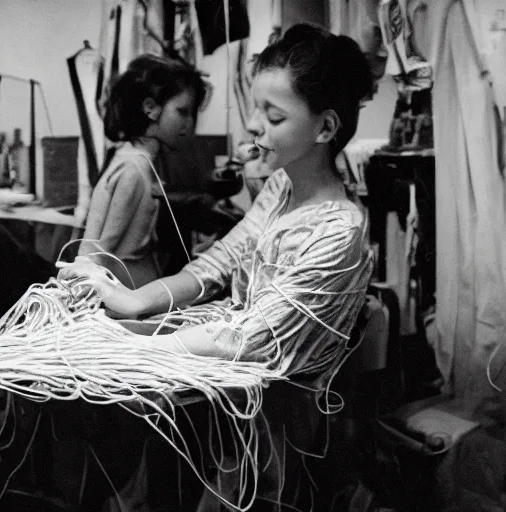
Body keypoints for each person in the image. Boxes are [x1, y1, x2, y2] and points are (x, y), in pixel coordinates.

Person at [61, 24, 375, 508]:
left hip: (281, 433)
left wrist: (138, 349)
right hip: (236, 405)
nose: (253, 126)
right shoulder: (280, 188)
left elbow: (249, 338)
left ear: (326, 128)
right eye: (255, 110)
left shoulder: (337, 232)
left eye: (272, 116)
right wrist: (134, 299)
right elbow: (221, 261)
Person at [78, 54, 208, 288]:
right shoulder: (132, 169)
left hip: (136, 292)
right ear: (151, 108)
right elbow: (98, 253)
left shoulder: (139, 161)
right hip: (124, 297)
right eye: (182, 111)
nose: (189, 124)